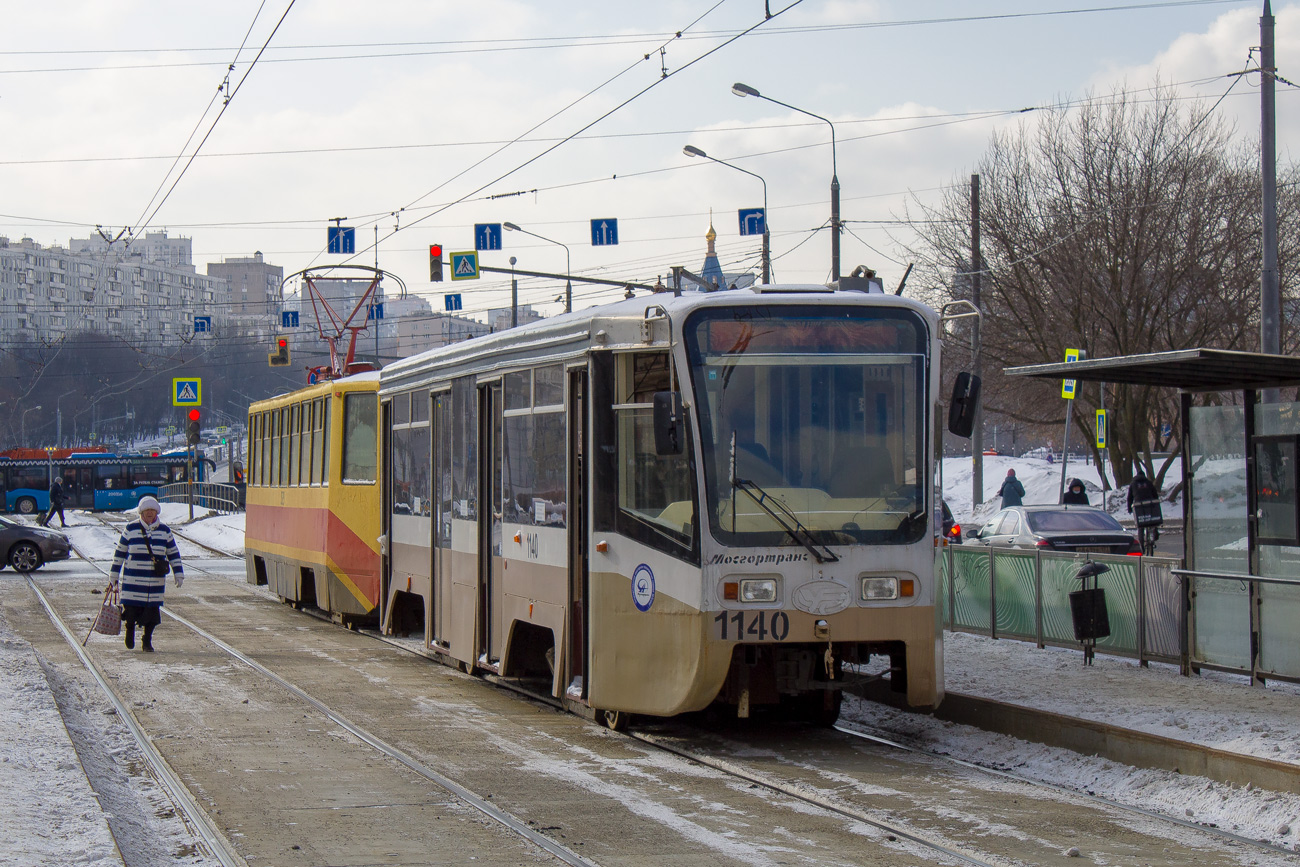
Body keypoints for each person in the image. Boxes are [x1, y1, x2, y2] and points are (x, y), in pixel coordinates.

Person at [109, 496, 184, 653]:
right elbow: (120, 552)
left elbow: (173, 552)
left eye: (152, 510)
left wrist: (178, 573)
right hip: (133, 581)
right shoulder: (130, 528)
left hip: (154, 583)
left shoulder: (165, 531)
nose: (150, 513)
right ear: (141, 512)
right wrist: (114, 574)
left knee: (152, 614)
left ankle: (147, 640)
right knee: (130, 611)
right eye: (146, 510)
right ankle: (129, 630)